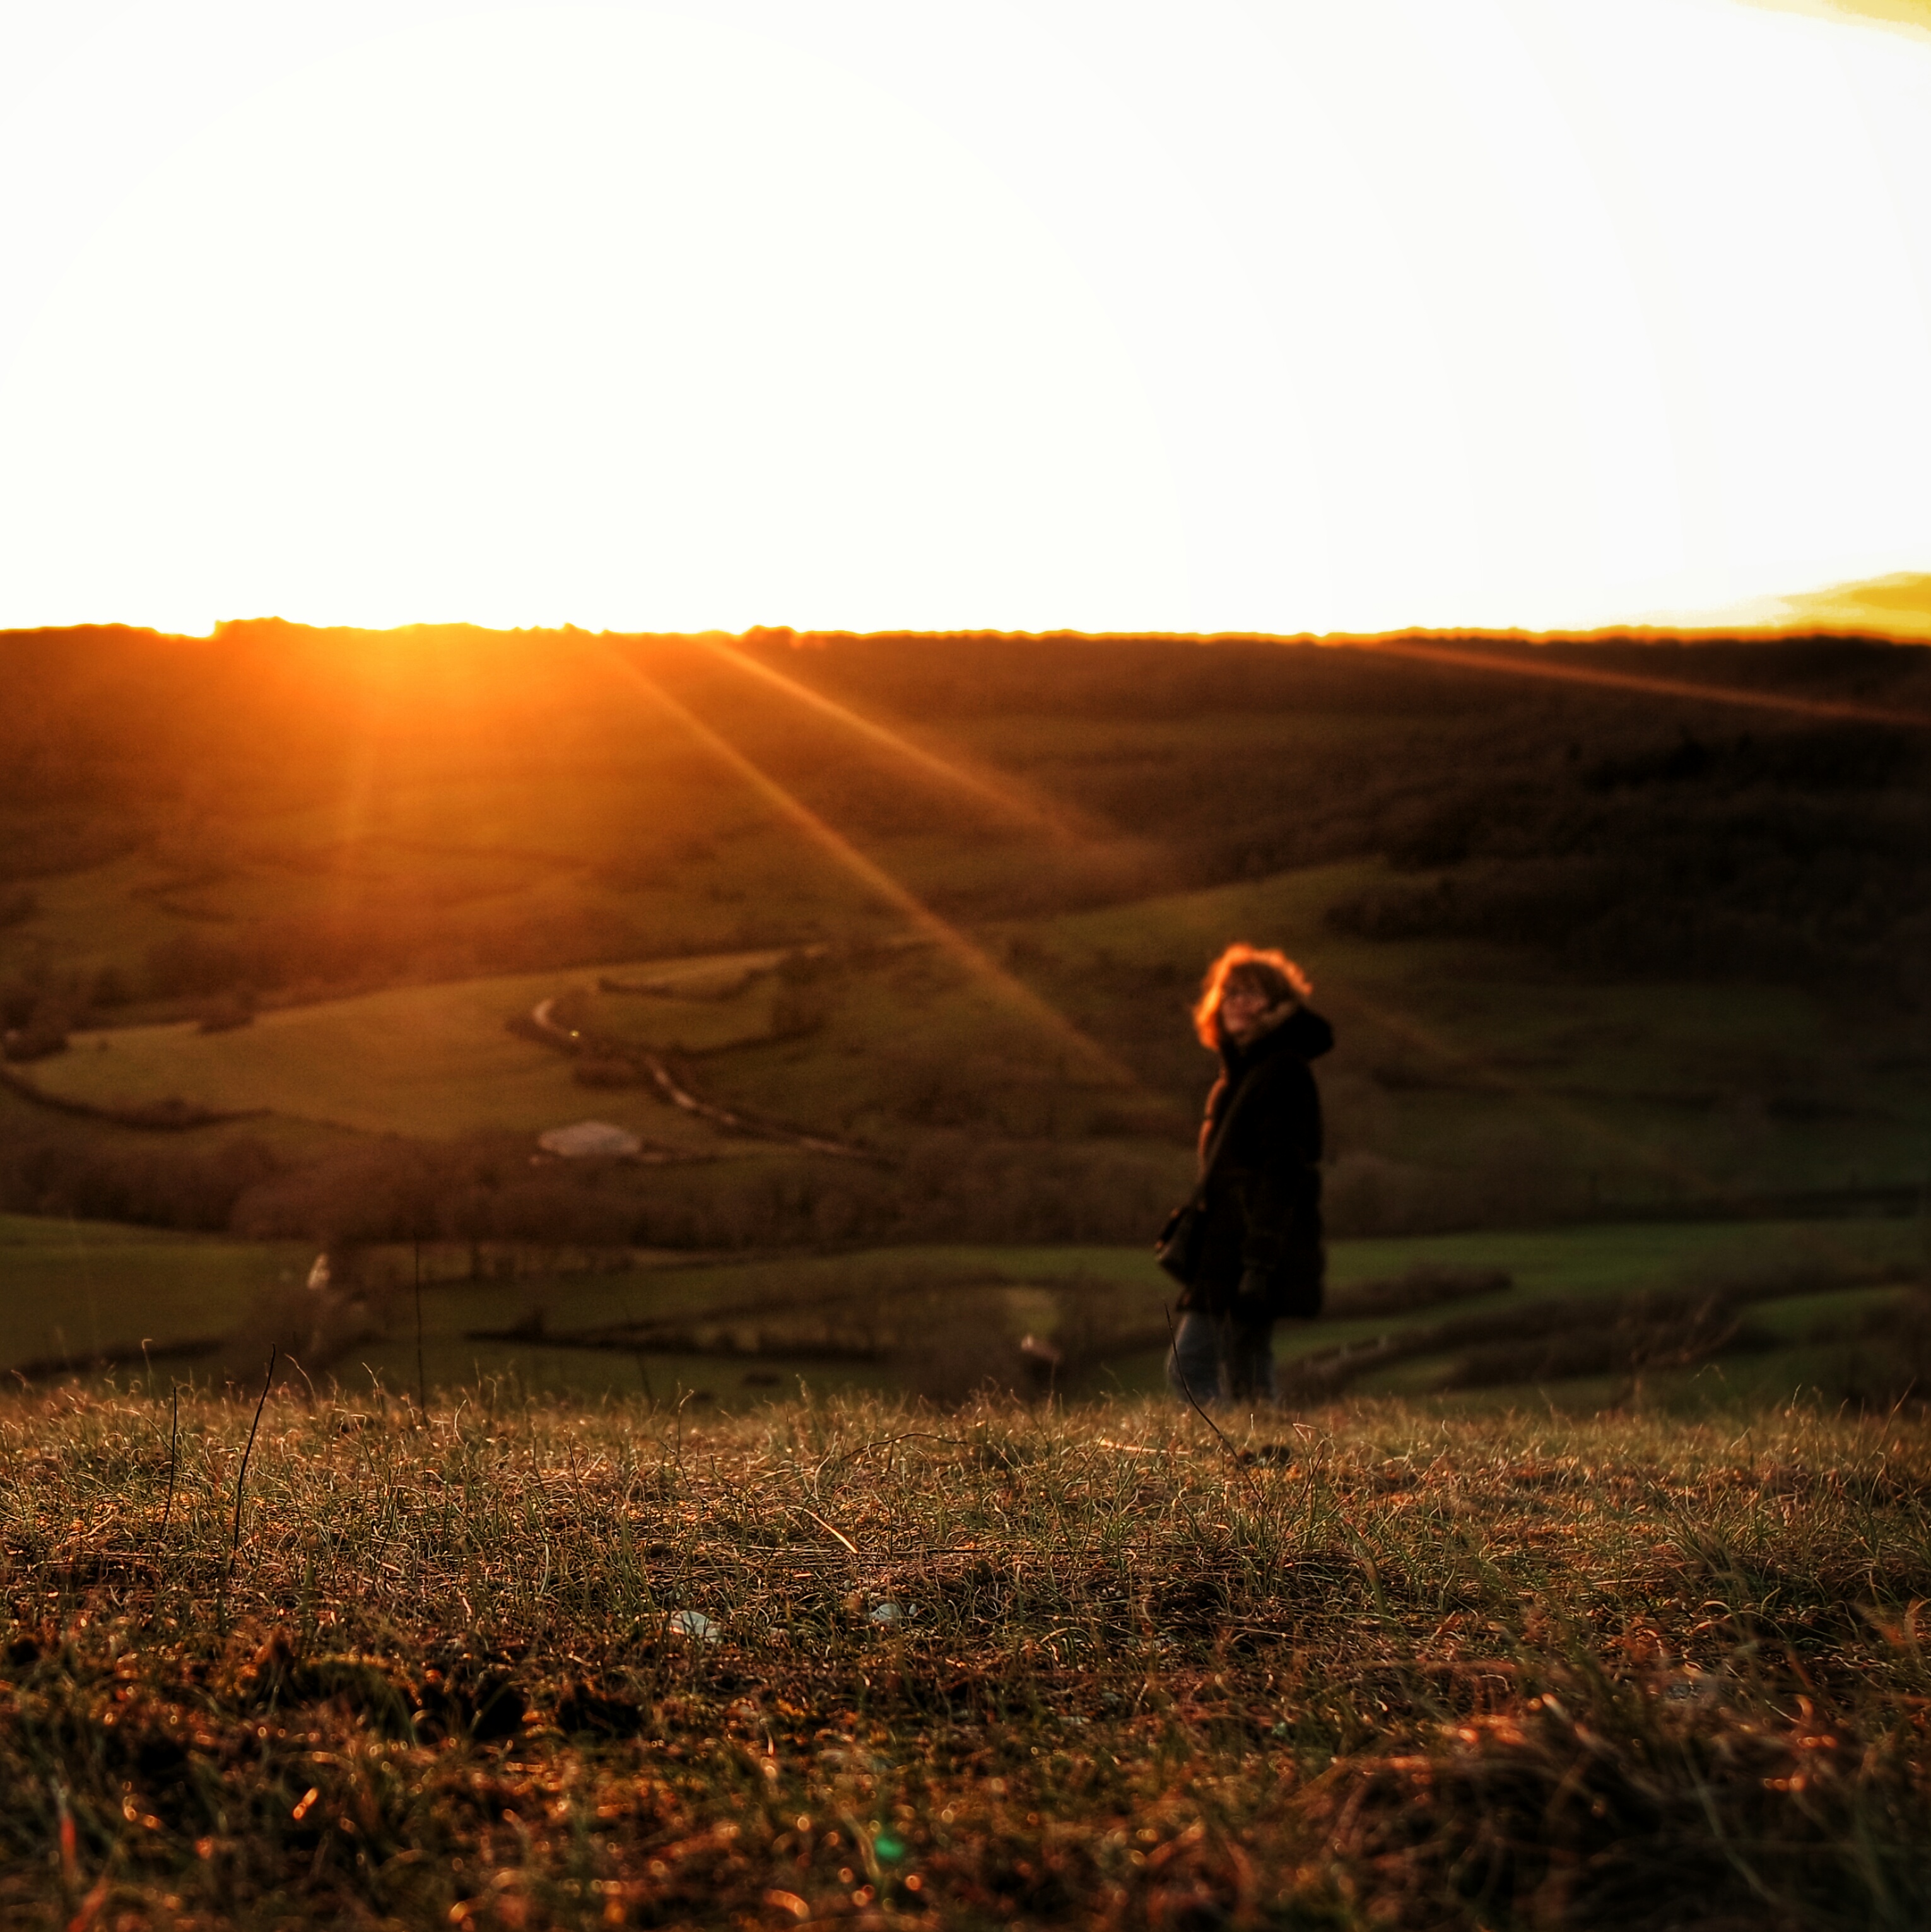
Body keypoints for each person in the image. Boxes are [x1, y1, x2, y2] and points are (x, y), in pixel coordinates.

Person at [1166, 943, 1332, 1408]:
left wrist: (1258, 1260)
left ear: (1279, 1004)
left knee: (1189, 1367)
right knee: (1248, 1367)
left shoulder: (1280, 1071)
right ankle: (1265, 1465)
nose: (1237, 1001)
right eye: (1230, 992)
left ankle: (1223, 1460)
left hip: (1247, 1247)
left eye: (1252, 993)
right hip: (1243, 1244)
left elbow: (1284, 1170)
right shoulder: (1244, 1073)